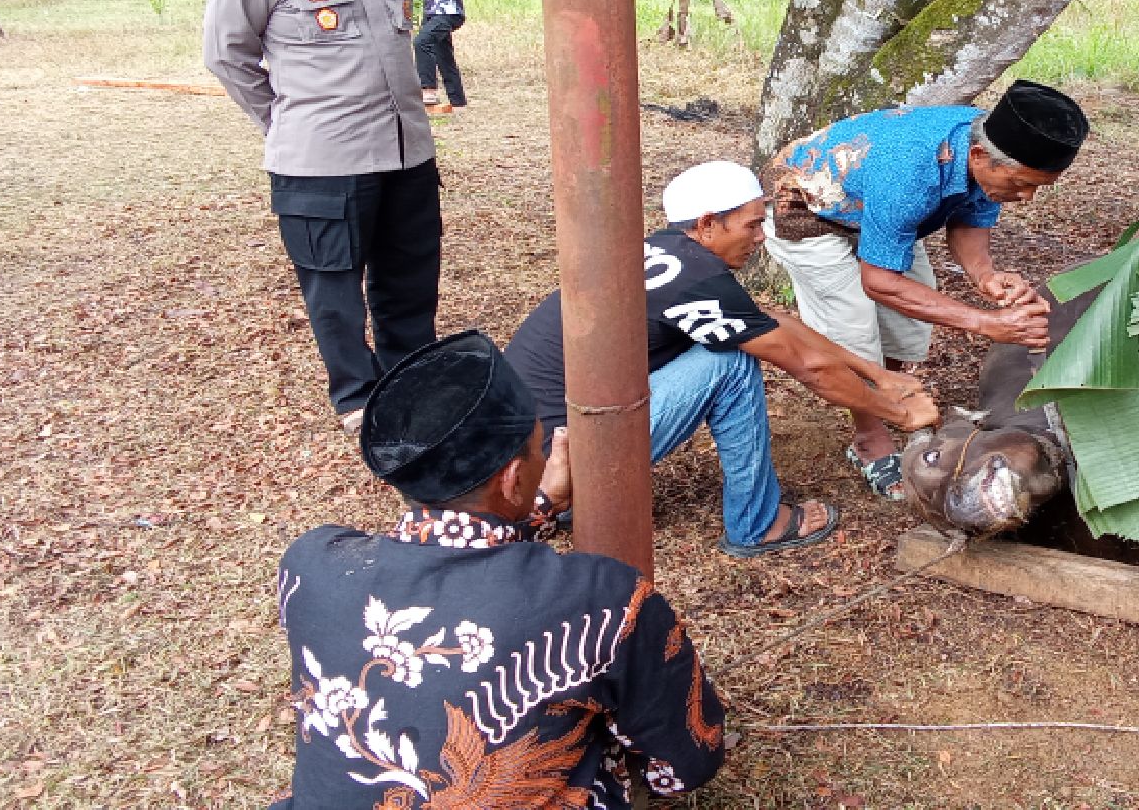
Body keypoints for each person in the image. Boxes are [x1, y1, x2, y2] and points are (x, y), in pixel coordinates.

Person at [272, 330, 725, 808]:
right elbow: (684, 764)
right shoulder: (602, 600)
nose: (544, 455)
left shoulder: (310, 564)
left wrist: (539, 504)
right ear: (511, 479)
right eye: (538, 446)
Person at [505, 162, 941, 555]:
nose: (761, 237)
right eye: (751, 226)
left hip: (535, 450)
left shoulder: (667, 251)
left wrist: (877, 374)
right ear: (709, 224)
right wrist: (899, 415)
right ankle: (759, 524)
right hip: (561, 469)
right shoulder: (697, 281)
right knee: (730, 362)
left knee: (741, 336)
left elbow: (767, 319)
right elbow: (807, 367)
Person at [204, 0, 439, 434]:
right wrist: (286, 122)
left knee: (410, 278)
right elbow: (227, 55)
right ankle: (359, 401)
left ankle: (411, 379)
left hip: (406, 151)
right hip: (320, 162)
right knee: (334, 290)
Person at [760, 80, 1088, 500]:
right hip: (808, 208)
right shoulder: (910, 172)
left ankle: (889, 392)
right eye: (1022, 184)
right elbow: (878, 282)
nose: (1025, 197)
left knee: (907, 326)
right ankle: (868, 438)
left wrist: (986, 276)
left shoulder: (987, 147)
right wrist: (987, 323)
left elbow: (971, 215)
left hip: (874, 210)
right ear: (979, 157)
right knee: (854, 332)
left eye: (1038, 187)